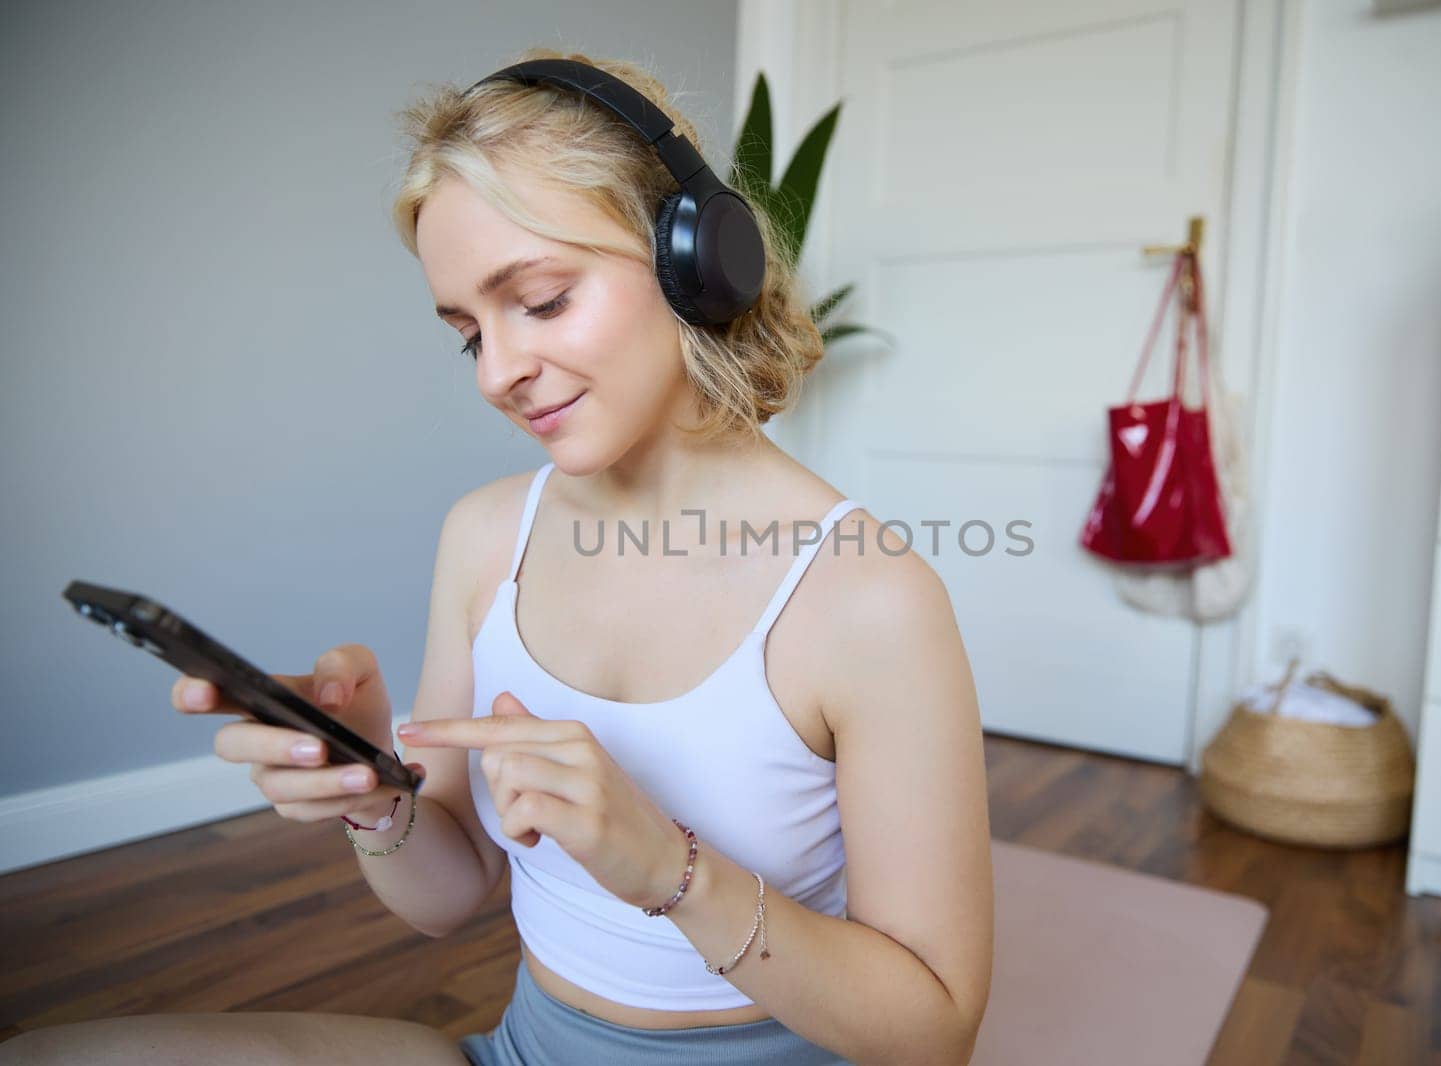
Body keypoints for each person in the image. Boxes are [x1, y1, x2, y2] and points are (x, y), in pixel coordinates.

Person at [2, 46, 994, 1066]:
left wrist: (668, 868)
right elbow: (447, 892)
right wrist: (376, 793)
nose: (499, 372)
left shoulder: (867, 597)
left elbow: (934, 1031)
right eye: (468, 332)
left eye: (543, 299)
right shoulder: (484, 538)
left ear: (693, 260)